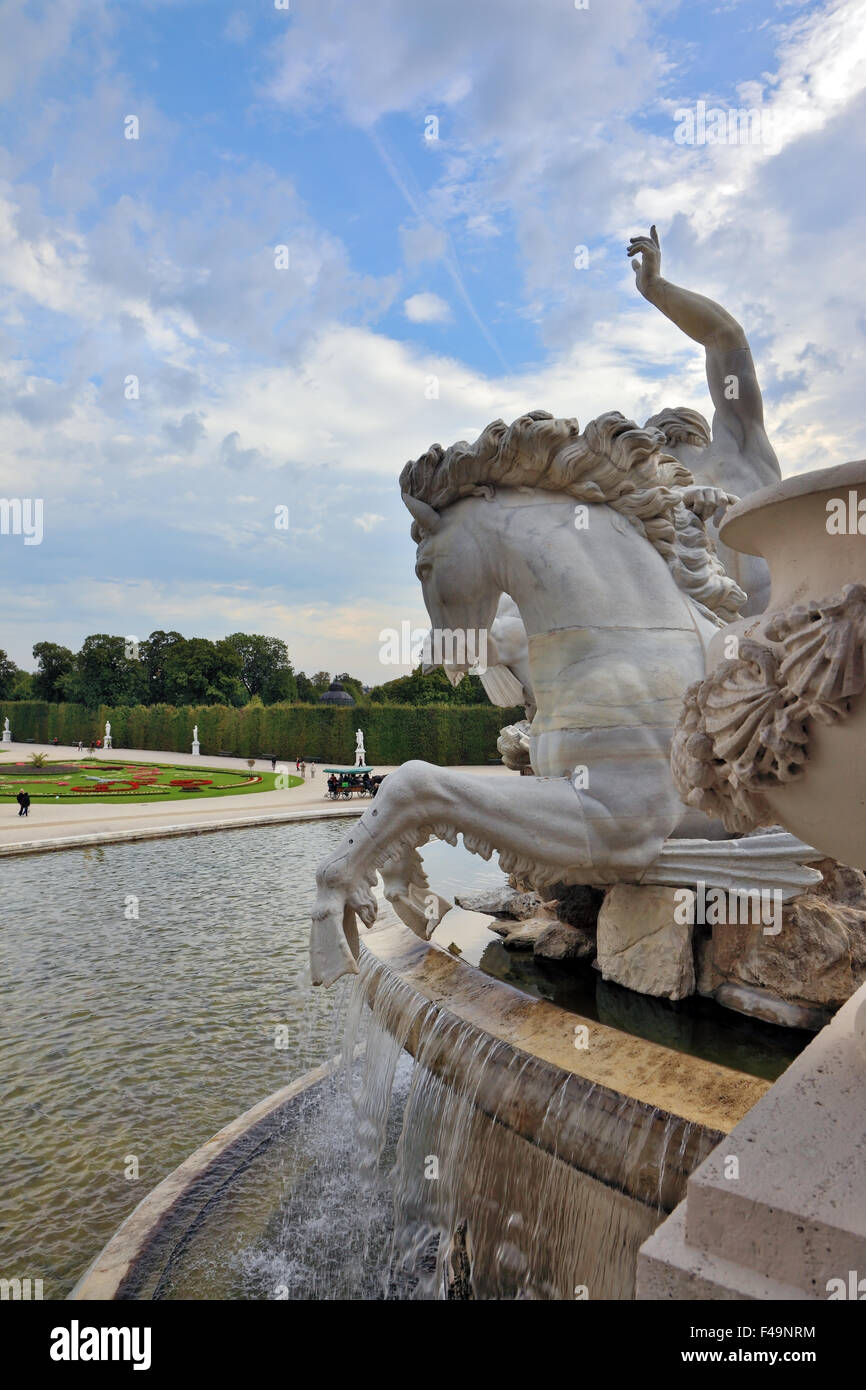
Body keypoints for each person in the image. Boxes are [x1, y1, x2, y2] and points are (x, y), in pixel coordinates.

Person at [627, 225, 782, 616]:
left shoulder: (736, 447)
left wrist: (656, 288)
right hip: (724, 638)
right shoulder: (739, 447)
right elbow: (724, 337)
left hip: (774, 625)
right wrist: (657, 288)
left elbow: (725, 337)